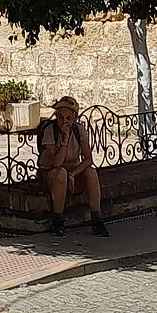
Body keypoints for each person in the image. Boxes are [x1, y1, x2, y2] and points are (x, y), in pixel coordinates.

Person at [38, 94, 106, 236]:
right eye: (60, 117)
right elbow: (57, 163)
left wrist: (73, 174)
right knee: (60, 172)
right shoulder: (50, 131)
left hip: (71, 172)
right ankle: (58, 219)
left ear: (74, 118)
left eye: (68, 118)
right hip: (53, 174)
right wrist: (64, 139)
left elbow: (88, 159)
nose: (64, 121)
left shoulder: (79, 129)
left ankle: (96, 219)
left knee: (91, 172)